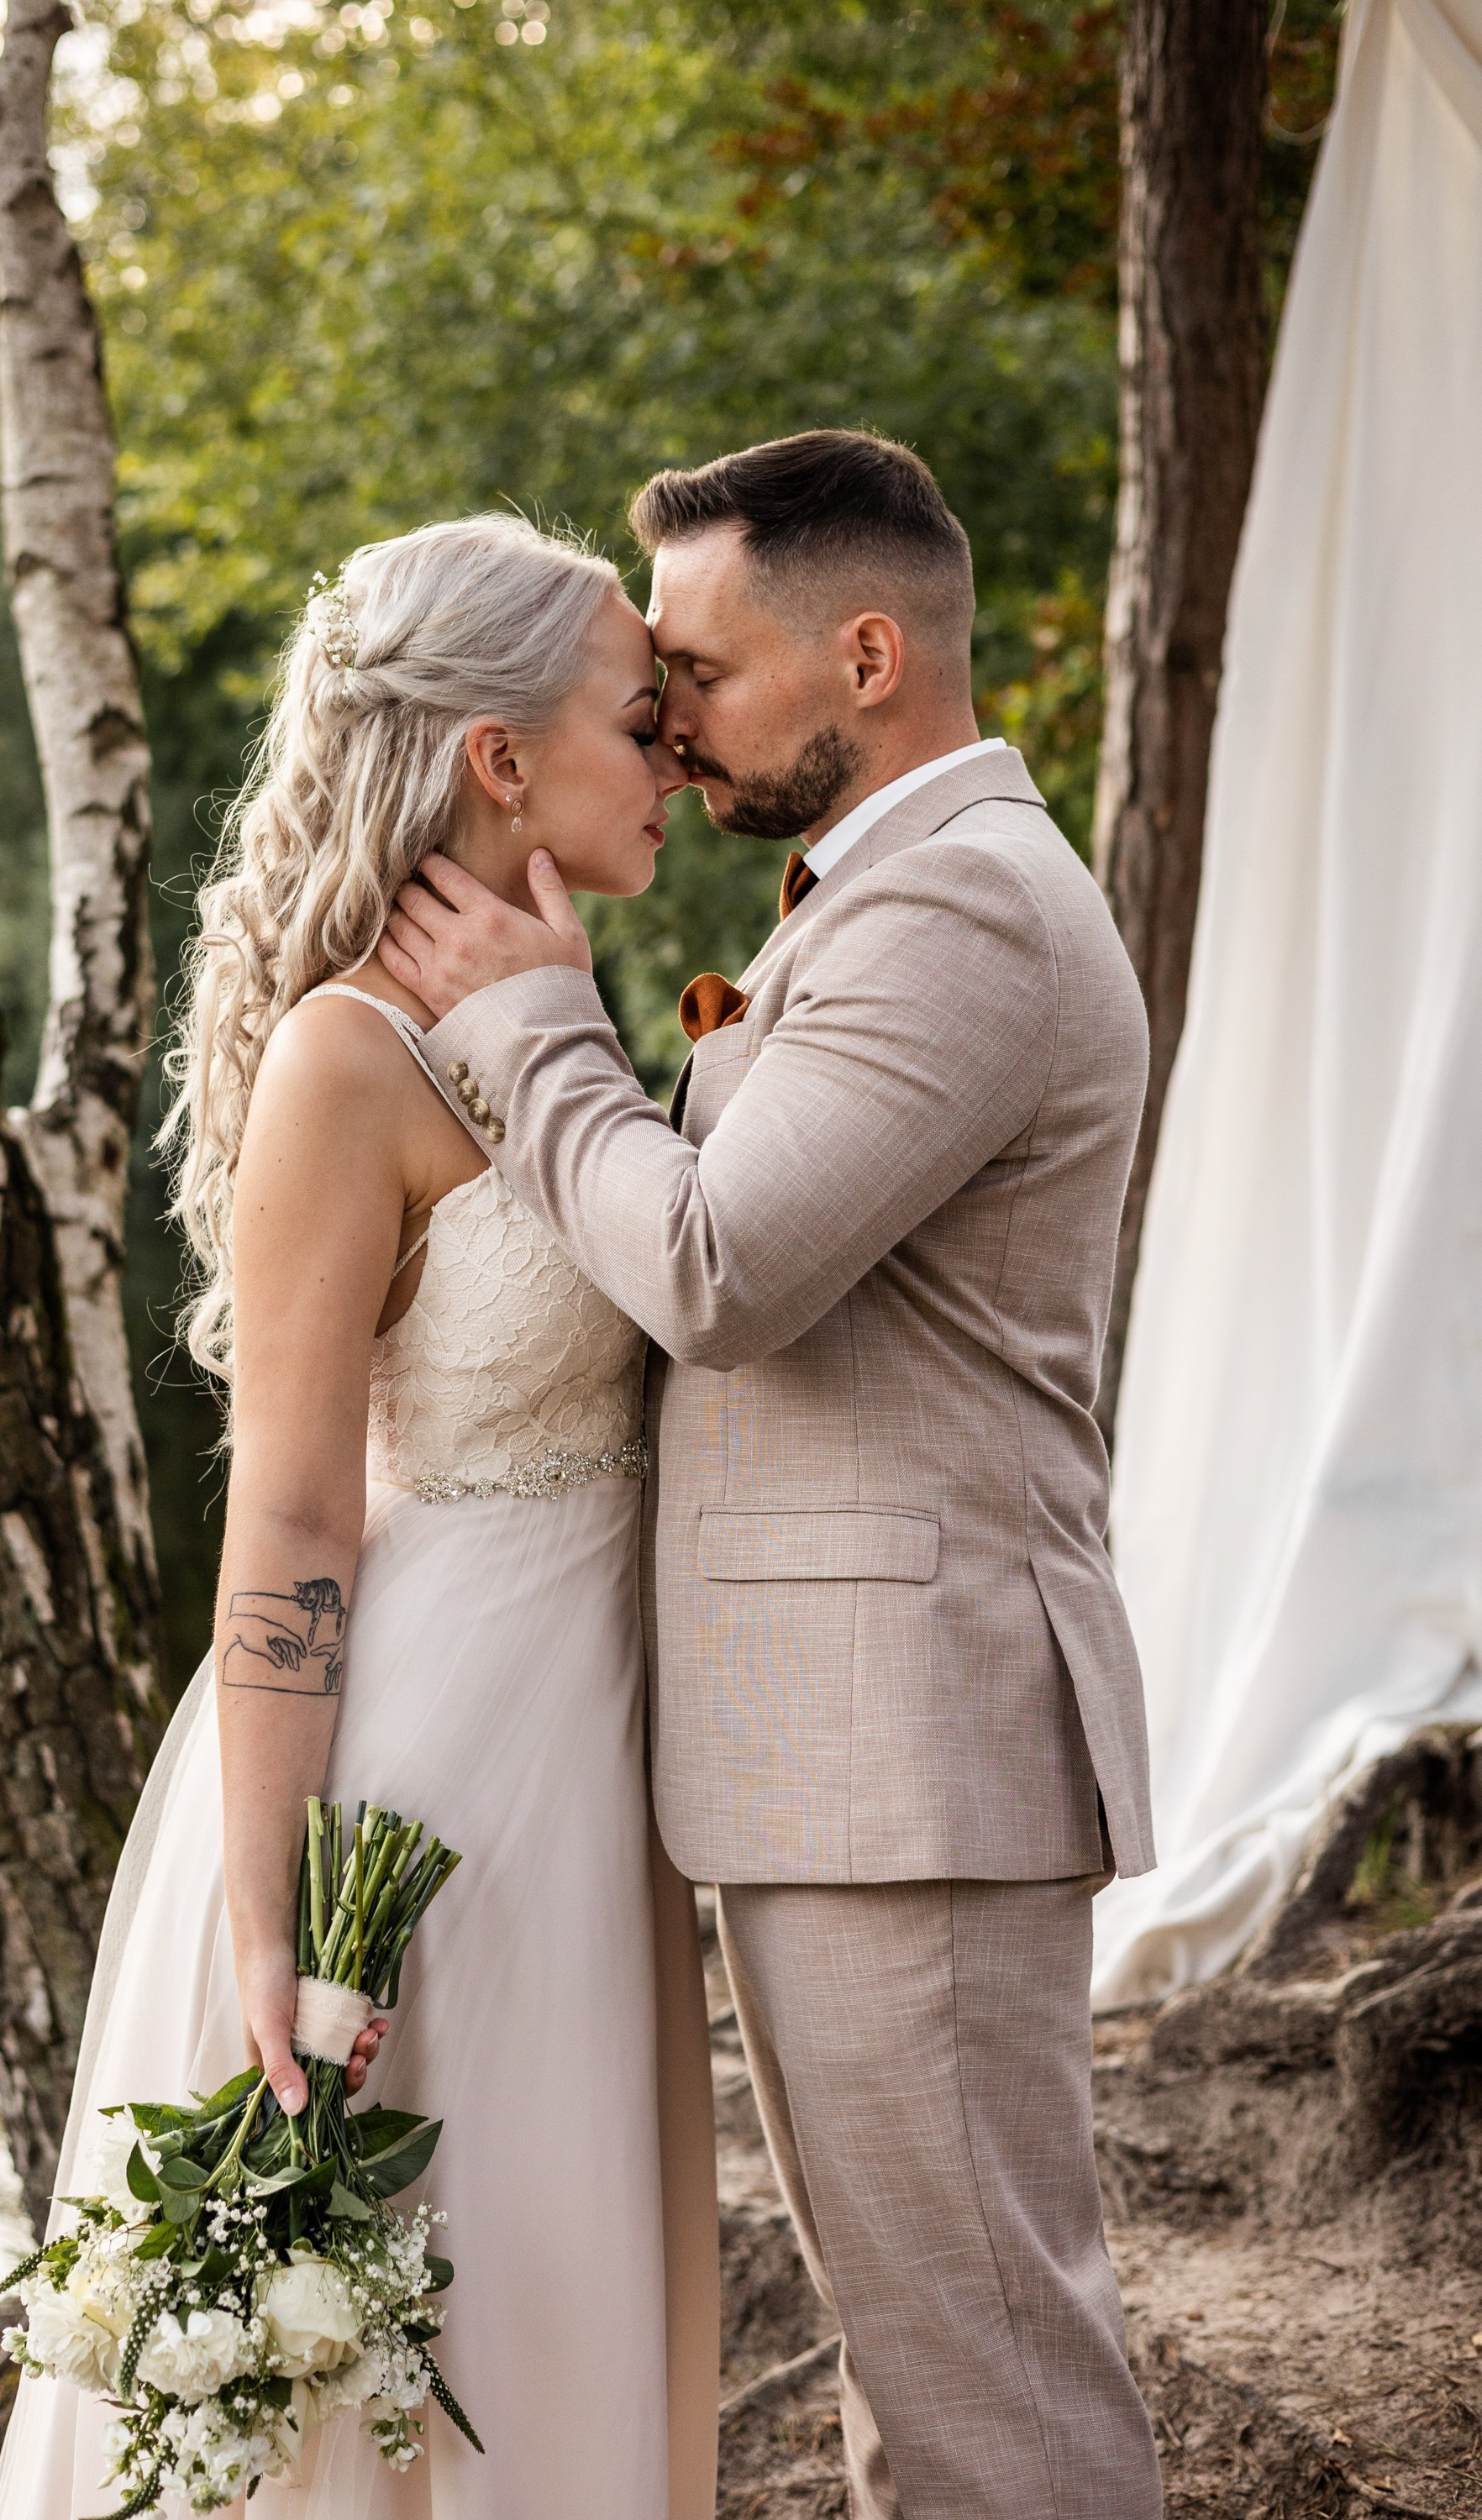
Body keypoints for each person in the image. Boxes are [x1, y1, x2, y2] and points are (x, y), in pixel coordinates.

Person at [379, 430, 1167, 2519]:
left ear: (873, 654)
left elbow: (718, 1268)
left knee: (990, 2381)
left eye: (705, 676)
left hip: (912, 1746)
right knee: (926, 2368)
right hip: (851, 1751)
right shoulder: (887, 898)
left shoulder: (966, 913)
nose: (673, 723)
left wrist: (546, 1030)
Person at [0, 514, 721, 2520]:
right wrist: (266, 1907)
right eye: (637, 719)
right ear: (498, 757)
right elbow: (296, 1510)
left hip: (586, 1766)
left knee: (563, 2290)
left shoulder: (553, 1005)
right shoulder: (345, 1055)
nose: (675, 756)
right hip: (430, 1786)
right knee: (425, 2330)